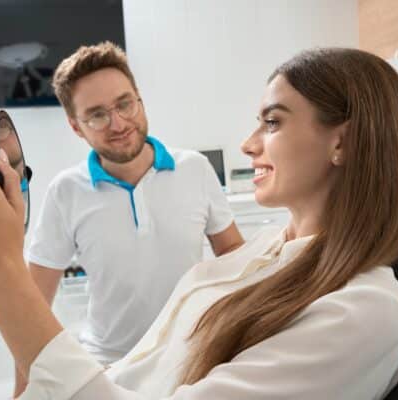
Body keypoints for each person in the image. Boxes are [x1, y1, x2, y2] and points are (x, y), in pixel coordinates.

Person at [0, 47, 398, 399]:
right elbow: (43, 298)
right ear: (76, 127)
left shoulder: (363, 314)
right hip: (100, 369)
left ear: (343, 143)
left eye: (272, 122)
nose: (249, 144)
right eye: (97, 115)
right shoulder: (272, 249)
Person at [17, 42, 244, 394]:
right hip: (109, 367)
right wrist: (22, 392)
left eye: (124, 104)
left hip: (192, 356)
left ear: (139, 99)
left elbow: (235, 260)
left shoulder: (195, 170)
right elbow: (30, 304)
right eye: (96, 114)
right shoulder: (66, 192)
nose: (118, 123)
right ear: (76, 126)